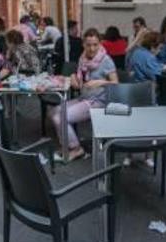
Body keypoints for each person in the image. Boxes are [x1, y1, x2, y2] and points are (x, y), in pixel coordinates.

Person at [50, 28, 118, 161]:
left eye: (95, 45)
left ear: (100, 43)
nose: (92, 48)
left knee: (61, 117)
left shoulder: (106, 60)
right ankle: (67, 145)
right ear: (83, 44)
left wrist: (100, 82)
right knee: (53, 112)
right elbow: (81, 77)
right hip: (84, 97)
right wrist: (74, 77)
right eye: (88, 45)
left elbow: (115, 83)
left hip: (99, 102)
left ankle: (76, 149)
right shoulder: (83, 58)